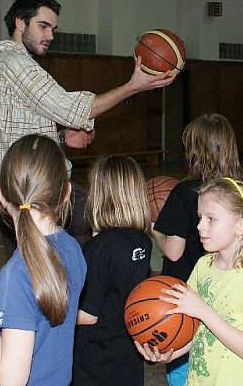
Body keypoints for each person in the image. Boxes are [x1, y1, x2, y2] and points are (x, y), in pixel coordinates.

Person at [0, 0, 174, 254]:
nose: (50, 36)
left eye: (53, 29)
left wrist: (60, 139)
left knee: (42, 271)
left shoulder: (2, 64)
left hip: (20, 188)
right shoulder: (15, 64)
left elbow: (13, 132)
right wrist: (133, 86)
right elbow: (75, 111)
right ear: (20, 23)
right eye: (43, 26)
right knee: (102, 221)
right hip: (29, 193)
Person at [0, 134, 86, 386]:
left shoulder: (18, 275)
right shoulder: (72, 249)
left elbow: (12, 379)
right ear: (66, 192)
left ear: (0, 195)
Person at [137, 176, 243, 385]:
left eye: (211, 219)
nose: (200, 227)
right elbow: (199, 331)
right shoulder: (203, 266)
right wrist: (171, 352)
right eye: (199, 217)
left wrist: (203, 310)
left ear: (242, 225)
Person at [152, 113, 242, 386]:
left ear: (195, 151)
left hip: (188, 296)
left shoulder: (185, 192)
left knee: (187, 370)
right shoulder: (240, 191)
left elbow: (174, 251)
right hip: (229, 296)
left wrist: (154, 228)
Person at [72, 156, 152, 386]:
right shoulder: (142, 241)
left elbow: (88, 315)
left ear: (100, 196)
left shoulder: (98, 248)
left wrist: (52, 313)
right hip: (128, 355)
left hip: (96, 361)